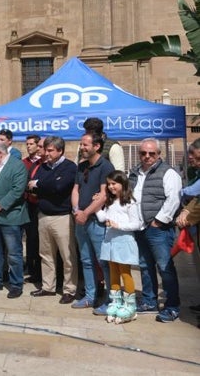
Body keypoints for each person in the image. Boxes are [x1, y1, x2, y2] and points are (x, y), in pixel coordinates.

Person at [128, 138, 182, 323]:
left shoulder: (168, 173)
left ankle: (172, 306)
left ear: (159, 154)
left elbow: (173, 199)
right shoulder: (134, 173)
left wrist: (159, 221)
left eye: (151, 153)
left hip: (158, 229)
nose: (147, 156)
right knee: (144, 265)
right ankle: (149, 301)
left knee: (165, 268)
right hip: (140, 227)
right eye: (143, 153)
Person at [28, 136, 78, 303]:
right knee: (46, 255)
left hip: (62, 217)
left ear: (60, 151)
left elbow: (60, 187)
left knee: (67, 256)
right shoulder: (43, 167)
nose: (46, 153)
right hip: (43, 216)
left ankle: (69, 290)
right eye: (46, 150)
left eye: (50, 150)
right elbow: (32, 189)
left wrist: (40, 184)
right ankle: (48, 286)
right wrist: (43, 185)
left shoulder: (69, 167)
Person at [70, 132, 114, 312]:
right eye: (81, 144)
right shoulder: (81, 167)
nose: (82, 148)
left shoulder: (106, 166)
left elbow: (104, 194)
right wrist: (76, 211)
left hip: (97, 222)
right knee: (86, 260)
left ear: (97, 146)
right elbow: (75, 190)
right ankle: (90, 296)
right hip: (81, 220)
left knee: (103, 261)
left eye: (85, 145)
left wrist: (86, 212)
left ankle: (111, 299)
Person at [0, 140, 29, 298]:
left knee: (14, 253)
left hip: (10, 216)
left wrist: (1, 205)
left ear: (1, 153)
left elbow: (18, 190)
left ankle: (16, 284)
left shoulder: (17, 166)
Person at [96, 171, 142, 323]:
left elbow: (137, 223)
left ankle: (130, 305)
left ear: (122, 184)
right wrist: (97, 207)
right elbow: (104, 218)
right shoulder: (110, 202)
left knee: (125, 272)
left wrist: (119, 226)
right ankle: (116, 301)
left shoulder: (130, 201)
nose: (111, 187)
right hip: (110, 241)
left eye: (114, 184)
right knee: (113, 271)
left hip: (123, 241)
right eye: (108, 184)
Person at [22, 134, 42, 284]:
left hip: (40, 205)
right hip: (27, 203)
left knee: (39, 239)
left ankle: (39, 270)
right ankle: (30, 267)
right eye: (27, 144)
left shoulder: (42, 163)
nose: (28, 146)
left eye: (31, 144)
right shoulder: (24, 162)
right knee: (30, 237)